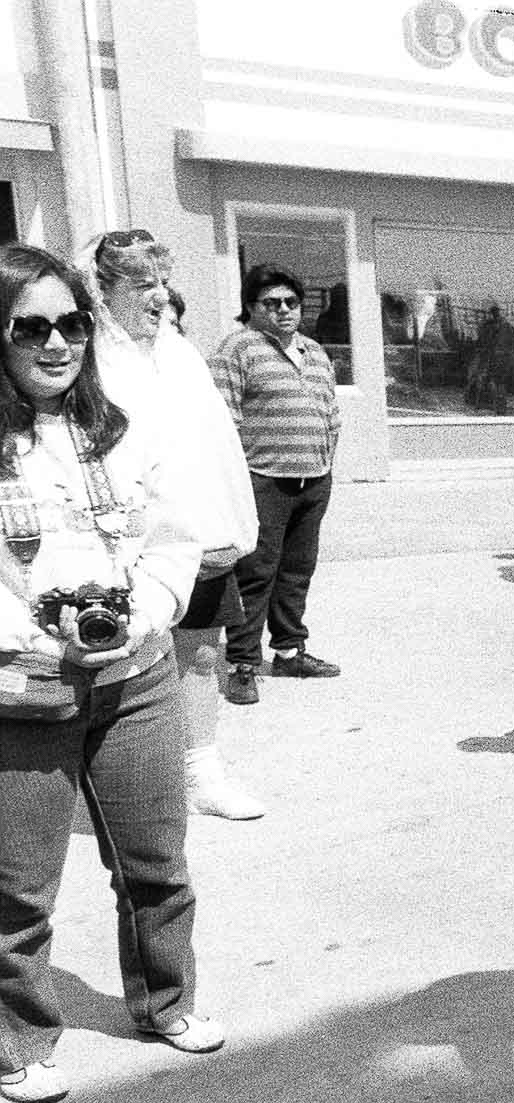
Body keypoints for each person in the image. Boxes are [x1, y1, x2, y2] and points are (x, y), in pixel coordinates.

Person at [0, 243, 224, 1103]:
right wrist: (34, 631)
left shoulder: (121, 425)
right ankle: (20, 1036)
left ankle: (166, 1002)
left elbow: (175, 537)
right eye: (31, 327)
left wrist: (148, 609)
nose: (56, 344)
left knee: (156, 863)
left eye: (72, 323)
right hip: (23, 690)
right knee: (19, 888)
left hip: (137, 675)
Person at [83, 231, 263, 820]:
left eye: (162, 282)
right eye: (141, 285)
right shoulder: (87, 360)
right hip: (124, 544)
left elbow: (216, 445)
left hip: (198, 535)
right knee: (124, 659)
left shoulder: (180, 353)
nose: (159, 297)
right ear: (102, 291)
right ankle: (123, 784)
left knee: (202, 654)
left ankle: (201, 772)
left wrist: (228, 525)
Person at [210, 263, 342, 705]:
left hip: (313, 480)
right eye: (272, 303)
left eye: (291, 302)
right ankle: (243, 665)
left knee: (297, 572)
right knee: (255, 575)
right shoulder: (237, 349)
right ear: (251, 307)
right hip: (263, 481)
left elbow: (330, 415)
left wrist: (325, 464)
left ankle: (289, 652)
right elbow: (222, 422)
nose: (284, 310)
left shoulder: (316, 351)